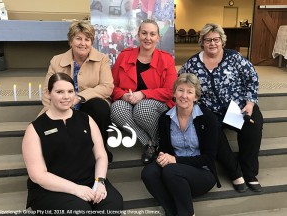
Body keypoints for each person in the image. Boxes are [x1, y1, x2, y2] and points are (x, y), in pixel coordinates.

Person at [178, 23, 264, 193]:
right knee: (211, 131)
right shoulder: (192, 64)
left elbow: (252, 77)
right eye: (208, 40)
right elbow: (180, 82)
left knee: (253, 125)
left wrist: (250, 103)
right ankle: (235, 173)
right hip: (210, 110)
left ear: (222, 41)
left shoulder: (235, 58)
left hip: (237, 107)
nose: (212, 43)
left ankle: (249, 173)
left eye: (216, 39)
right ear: (202, 42)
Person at [22, 73, 123, 214]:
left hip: (89, 180)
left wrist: (100, 181)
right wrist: (76, 189)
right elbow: (37, 175)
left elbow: (101, 155)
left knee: (113, 205)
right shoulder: (35, 129)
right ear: (48, 93)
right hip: (52, 188)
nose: (66, 97)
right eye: (59, 92)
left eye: (70, 91)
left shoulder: (86, 120)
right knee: (79, 210)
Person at [142, 73, 221, 216]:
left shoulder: (207, 118)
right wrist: (163, 156)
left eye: (189, 92)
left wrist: (175, 160)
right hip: (174, 173)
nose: (184, 95)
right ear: (174, 93)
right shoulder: (165, 118)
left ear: (196, 97)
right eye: (180, 90)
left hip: (201, 173)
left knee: (172, 170)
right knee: (149, 173)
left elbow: (209, 158)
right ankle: (172, 212)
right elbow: (166, 149)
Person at [40, 20, 114, 163]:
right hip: (61, 104)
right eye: (78, 38)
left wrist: (79, 97)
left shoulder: (102, 59)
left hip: (88, 103)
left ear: (92, 42)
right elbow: (47, 91)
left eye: (87, 39)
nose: (83, 43)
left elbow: (107, 86)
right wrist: (56, 110)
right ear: (71, 41)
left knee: (100, 107)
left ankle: (100, 149)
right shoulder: (56, 60)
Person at [110, 19, 177, 164]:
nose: (148, 38)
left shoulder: (166, 59)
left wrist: (143, 94)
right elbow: (112, 86)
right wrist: (123, 96)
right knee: (116, 108)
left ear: (158, 38)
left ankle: (163, 143)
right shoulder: (124, 55)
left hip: (156, 104)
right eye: (144, 33)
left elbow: (170, 91)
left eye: (152, 34)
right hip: (128, 101)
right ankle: (150, 143)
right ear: (138, 35)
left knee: (142, 108)